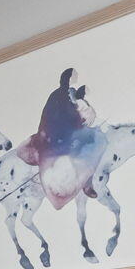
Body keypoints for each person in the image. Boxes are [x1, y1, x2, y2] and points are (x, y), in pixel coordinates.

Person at [17, 67, 106, 207]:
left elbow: (77, 105)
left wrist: (82, 103)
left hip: (67, 129)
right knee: (95, 142)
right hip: (56, 133)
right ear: (68, 78)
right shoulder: (59, 94)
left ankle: (87, 181)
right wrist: (78, 119)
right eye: (74, 76)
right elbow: (62, 114)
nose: (75, 78)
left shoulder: (70, 93)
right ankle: (86, 183)